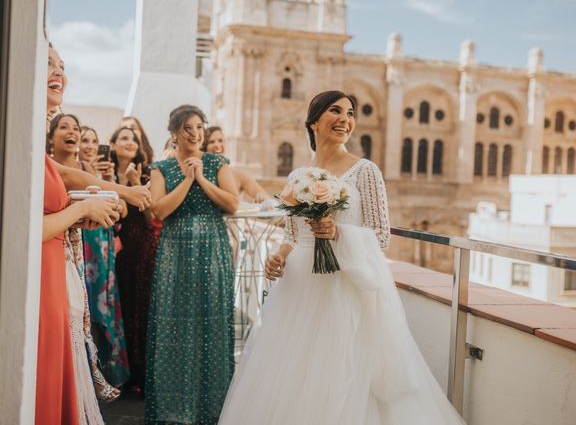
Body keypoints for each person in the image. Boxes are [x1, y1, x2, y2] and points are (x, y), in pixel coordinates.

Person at [218, 91, 466, 425]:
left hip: (343, 287)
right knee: (295, 372)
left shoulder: (366, 171)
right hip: (299, 288)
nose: (345, 119)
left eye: (350, 113)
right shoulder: (296, 177)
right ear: (313, 122)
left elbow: (381, 235)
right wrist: (278, 255)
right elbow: (293, 235)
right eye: (335, 111)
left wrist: (338, 233)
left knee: (342, 370)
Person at [40, 44, 150, 425]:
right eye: (48, 63)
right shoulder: (17, 133)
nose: (58, 71)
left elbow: (73, 177)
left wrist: (121, 193)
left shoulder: (38, 150)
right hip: (38, 282)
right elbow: (23, 227)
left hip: (55, 279)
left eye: (61, 66)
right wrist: (82, 209)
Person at [145, 105, 239, 424]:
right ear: (175, 133)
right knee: (175, 323)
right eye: (188, 128)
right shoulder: (160, 168)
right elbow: (159, 210)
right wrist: (187, 180)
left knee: (211, 323)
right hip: (176, 251)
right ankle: (175, 410)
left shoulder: (217, 163)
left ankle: (212, 409)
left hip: (213, 248)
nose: (196, 133)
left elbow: (232, 203)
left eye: (200, 127)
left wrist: (202, 178)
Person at [47, 114, 121, 412]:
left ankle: (91, 373)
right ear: (50, 136)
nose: (73, 133)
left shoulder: (86, 171)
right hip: (56, 246)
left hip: (84, 246)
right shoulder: (49, 167)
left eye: (76, 129)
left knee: (85, 313)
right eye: (64, 127)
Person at [110, 126, 160, 394]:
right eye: (125, 138)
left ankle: (141, 376)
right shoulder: (103, 174)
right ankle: (118, 372)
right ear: (113, 144)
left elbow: (152, 216)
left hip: (141, 249)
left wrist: (135, 184)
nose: (130, 142)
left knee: (139, 309)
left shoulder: (146, 174)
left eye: (135, 139)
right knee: (117, 308)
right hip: (111, 250)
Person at [78, 126, 130, 389]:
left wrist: (116, 192)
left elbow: (120, 210)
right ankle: (85, 373)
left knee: (103, 309)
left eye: (94, 140)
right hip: (82, 247)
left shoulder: (102, 175)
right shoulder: (75, 172)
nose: (89, 145)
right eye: (85, 140)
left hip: (102, 247)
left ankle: (102, 370)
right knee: (82, 308)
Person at [203, 126, 271, 203]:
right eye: (211, 142)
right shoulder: (200, 174)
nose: (217, 145)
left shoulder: (238, 175)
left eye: (220, 140)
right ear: (204, 147)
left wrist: (261, 198)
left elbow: (268, 199)